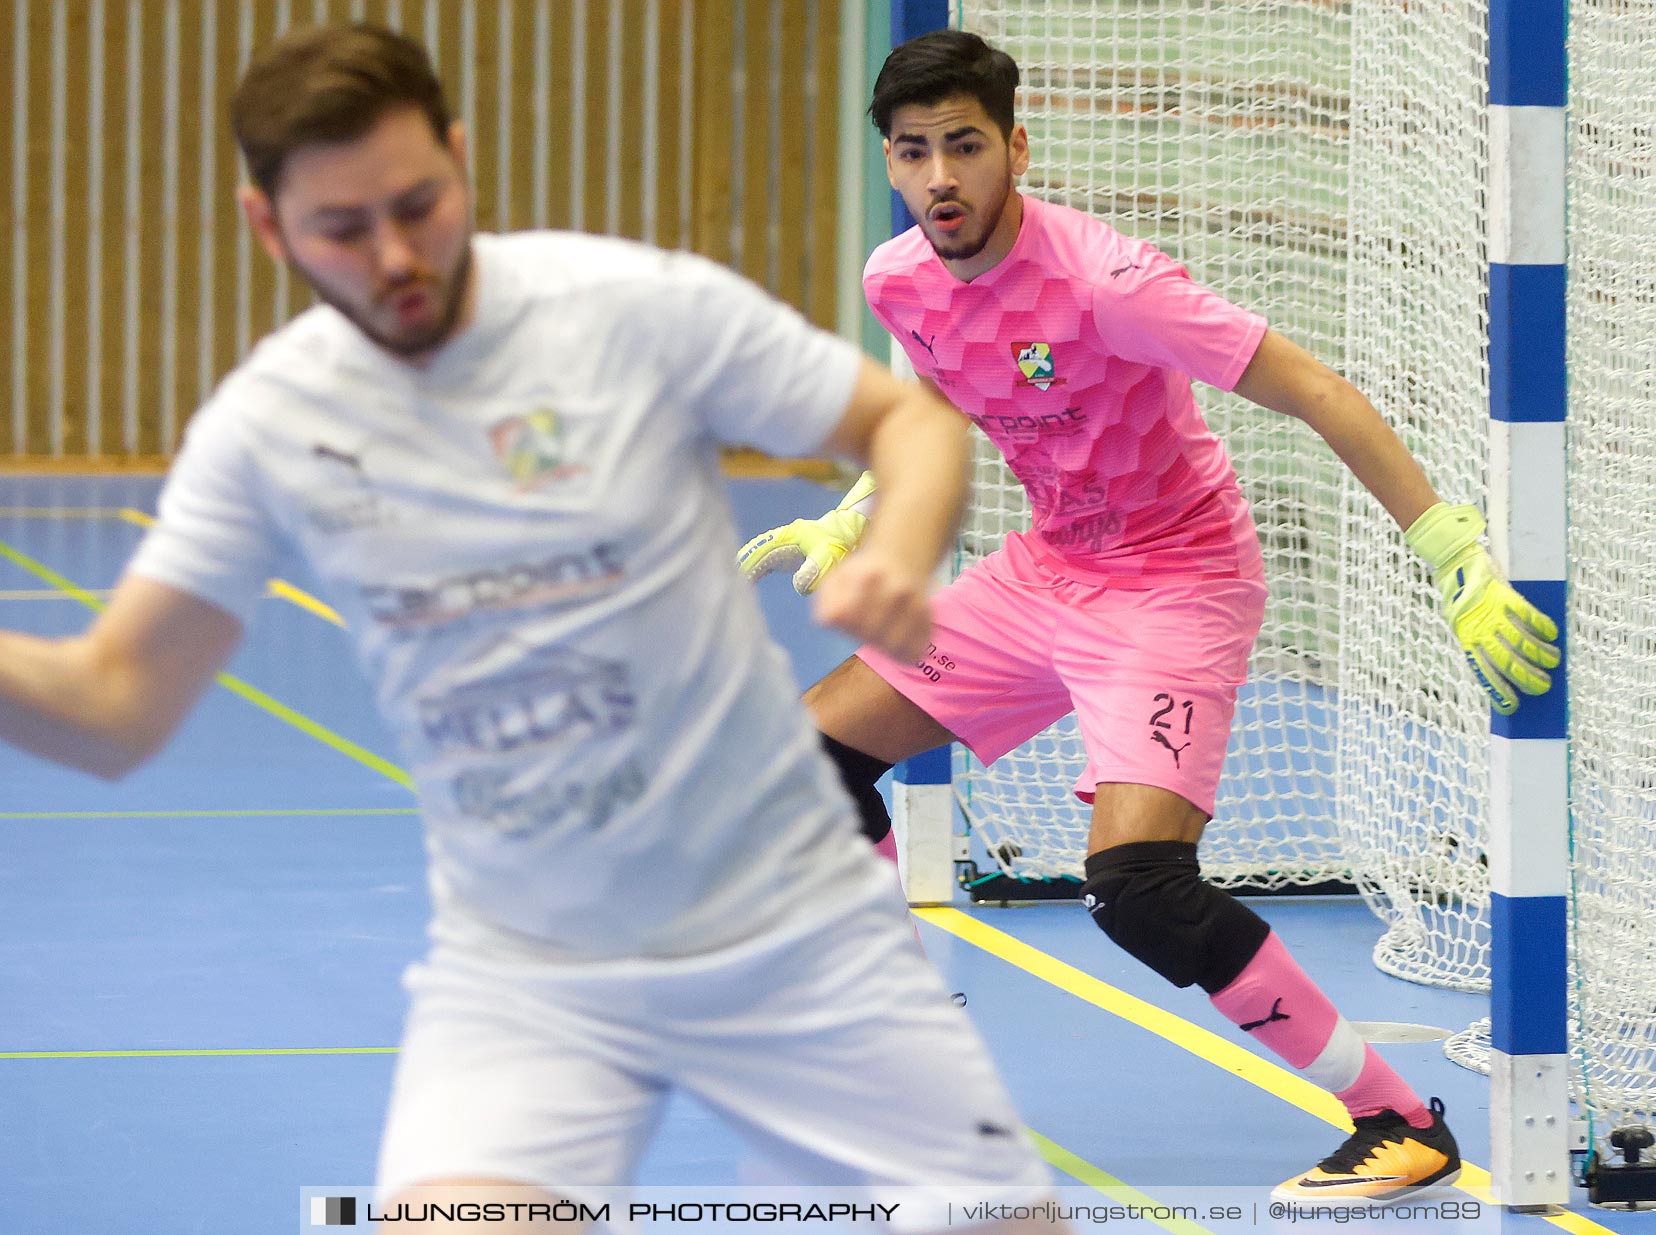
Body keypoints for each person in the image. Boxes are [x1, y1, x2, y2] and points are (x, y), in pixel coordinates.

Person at [0, 23, 1059, 1233]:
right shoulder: (273, 425)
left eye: (420, 202)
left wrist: (901, 548)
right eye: (344, 228)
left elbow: (908, 425)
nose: (397, 256)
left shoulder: (624, 305)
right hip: (530, 966)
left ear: (460, 156)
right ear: (267, 225)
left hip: (792, 918)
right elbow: (114, 704)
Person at [740, 29, 1561, 1206]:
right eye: (913, 153)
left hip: (1177, 578)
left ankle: (1395, 1115)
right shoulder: (898, 277)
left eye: (965, 147)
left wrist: (1446, 547)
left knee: (1138, 887)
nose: (940, 179)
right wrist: (856, 509)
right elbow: (936, 392)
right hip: (1048, 568)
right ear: (889, 161)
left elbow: (1319, 391)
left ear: (1014, 146)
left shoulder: (1110, 284)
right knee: (808, 760)